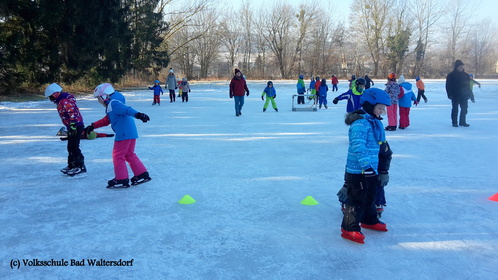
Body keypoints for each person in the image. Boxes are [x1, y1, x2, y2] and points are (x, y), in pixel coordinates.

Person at [340, 87, 391, 244]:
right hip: (358, 170)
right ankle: (349, 228)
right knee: (356, 199)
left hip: (371, 169)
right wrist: (366, 166)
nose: (382, 111)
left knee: (370, 197)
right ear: (369, 105)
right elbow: (358, 146)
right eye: (380, 108)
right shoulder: (360, 124)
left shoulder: (374, 123)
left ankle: (369, 220)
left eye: (384, 108)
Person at [84, 83, 151, 188]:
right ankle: (141, 173)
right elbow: (107, 120)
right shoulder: (114, 104)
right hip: (130, 133)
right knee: (129, 154)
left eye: (98, 98)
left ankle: (121, 178)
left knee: (118, 156)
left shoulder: (114, 104)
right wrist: (93, 126)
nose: (98, 101)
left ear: (104, 96)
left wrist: (138, 115)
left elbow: (127, 109)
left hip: (123, 134)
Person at [44, 83, 86, 177]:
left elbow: (73, 113)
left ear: (55, 94)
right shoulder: (61, 101)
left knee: (74, 147)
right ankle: (72, 165)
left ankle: (80, 166)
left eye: (50, 97)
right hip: (71, 126)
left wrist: (73, 125)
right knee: (70, 147)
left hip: (76, 126)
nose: (50, 100)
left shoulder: (65, 101)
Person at [446, 60, 471, 127]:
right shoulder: (451, 75)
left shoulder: (466, 75)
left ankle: (462, 122)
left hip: (464, 94)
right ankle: (454, 122)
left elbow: (468, 86)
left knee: (464, 109)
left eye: (462, 66)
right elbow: (448, 86)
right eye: (460, 66)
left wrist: (469, 94)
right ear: (456, 67)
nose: (461, 67)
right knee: (455, 109)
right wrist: (449, 94)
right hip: (455, 95)